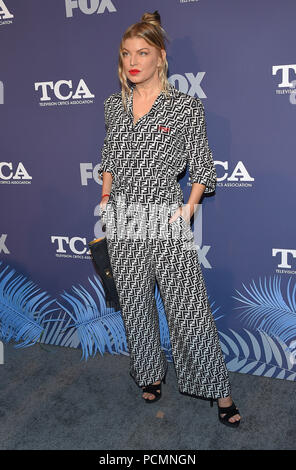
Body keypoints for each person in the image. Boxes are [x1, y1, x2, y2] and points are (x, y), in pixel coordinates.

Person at [98, 10, 241, 428]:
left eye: (142, 52)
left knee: (188, 307)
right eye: (126, 54)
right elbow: (108, 155)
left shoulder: (184, 107)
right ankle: (149, 374)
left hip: (164, 214)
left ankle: (220, 391)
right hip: (123, 217)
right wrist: (106, 196)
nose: (133, 61)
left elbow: (202, 167)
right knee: (135, 305)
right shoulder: (113, 105)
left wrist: (188, 209)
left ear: (161, 56)